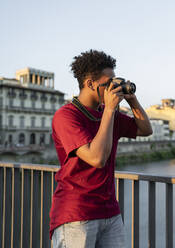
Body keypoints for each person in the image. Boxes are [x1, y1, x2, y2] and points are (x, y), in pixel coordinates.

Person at [49, 49, 152, 247]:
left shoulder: (108, 113)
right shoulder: (66, 116)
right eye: (108, 84)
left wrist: (132, 99)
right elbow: (97, 158)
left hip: (110, 212)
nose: (112, 89)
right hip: (76, 216)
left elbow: (145, 129)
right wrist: (111, 110)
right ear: (90, 84)